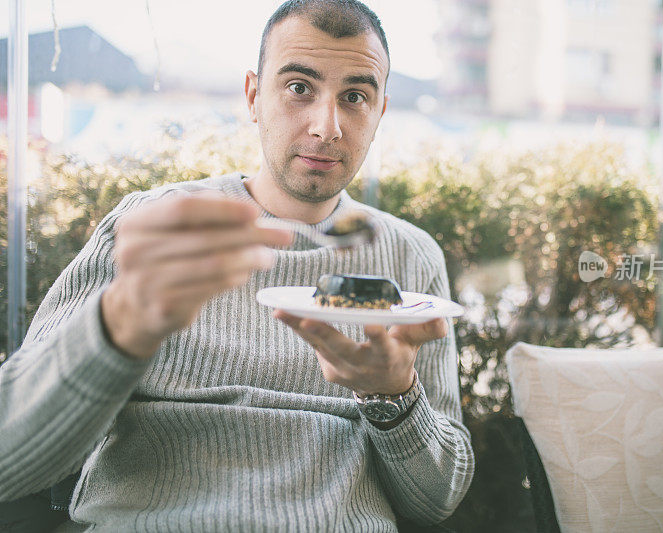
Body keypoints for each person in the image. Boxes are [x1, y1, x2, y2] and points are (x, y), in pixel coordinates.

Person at [0, 0, 475, 531]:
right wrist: (116, 330)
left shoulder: (410, 257)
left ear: (380, 110)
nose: (326, 126)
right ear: (254, 95)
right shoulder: (155, 225)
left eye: (355, 97)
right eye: (299, 88)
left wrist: (395, 397)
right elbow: (8, 460)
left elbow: (437, 501)